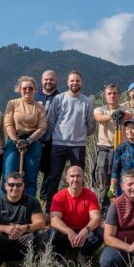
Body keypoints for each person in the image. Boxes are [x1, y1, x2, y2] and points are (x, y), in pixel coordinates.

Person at [45, 71, 95, 210]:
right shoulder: (59, 99)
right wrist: (59, 135)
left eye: (77, 81)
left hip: (78, 145)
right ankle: (50, 209)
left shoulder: (87, 102)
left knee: (79, 179)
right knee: (54, 177)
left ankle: (81, 209)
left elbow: (90, 125)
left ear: (81, 83)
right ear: (67, 82)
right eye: (72, 81)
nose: (75, 83)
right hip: (59, 144)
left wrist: (80, 134)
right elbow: (50, 121)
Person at [46, 166, 103, 261]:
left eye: (78, 176)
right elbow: (54, 220)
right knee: (52, 233)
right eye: (72, 176)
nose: (75, 179)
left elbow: (96, 218)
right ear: (67, 179)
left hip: (83, 234)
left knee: (100, 232)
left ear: (84, 178)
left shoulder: (90, 195)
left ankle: (83, 255)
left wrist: (85, 231)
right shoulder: (59, 196)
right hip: (65, 234)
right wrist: (69, 231)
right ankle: (60, 257)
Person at [3, 76, 47, 197]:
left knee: (31, 177)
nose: (27, 90)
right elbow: (8, 124)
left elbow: (42, 128)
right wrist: (16, 141)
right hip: (14, 141)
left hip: (33, 143)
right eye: (24, 88)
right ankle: (4, 207)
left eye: (30, 88)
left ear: (35, 90)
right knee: (9, 175)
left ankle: (29, 208)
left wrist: (28, 141)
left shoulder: (40, 108)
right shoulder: (12, 103)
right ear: (20, 89)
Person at [94, 84, 131, 212]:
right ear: (105, 95)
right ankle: (104, 210)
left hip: (121, 149)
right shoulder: (100, 109)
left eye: (114, 93)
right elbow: (98, 118)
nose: (112, 96)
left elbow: (128, 116)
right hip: (104, 149)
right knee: (103, 180)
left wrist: (120, 114)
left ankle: (122, 209)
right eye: (109, 93)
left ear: (119, 95)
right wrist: (112, 115)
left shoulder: (125, 109)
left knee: (123, 179)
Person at [35, 70, 59, 204]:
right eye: (46, 79)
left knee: (50, 174)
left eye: (51, 79)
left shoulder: (61, 97)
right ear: (42, 80)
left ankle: (46, 203)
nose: (48, 82)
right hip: (34, 141)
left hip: (53, 141)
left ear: (56, 81)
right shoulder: (34, 95)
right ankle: (30, 203)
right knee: (31, 172)